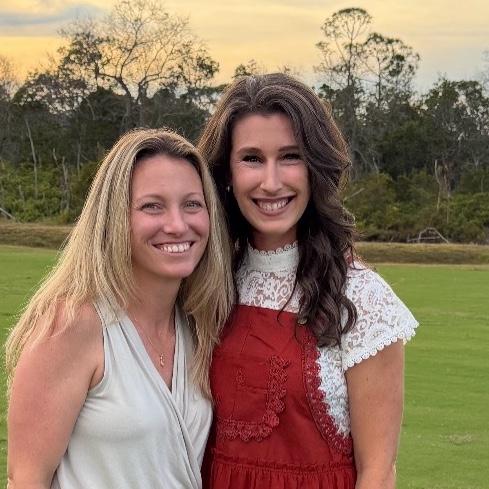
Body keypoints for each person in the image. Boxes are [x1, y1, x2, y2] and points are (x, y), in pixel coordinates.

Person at [198, 73, 419, 489]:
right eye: (251, 159)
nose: (271, 182)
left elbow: (377, 471)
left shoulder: (363, 298)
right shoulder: (204, 282)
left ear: (315, 167)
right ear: (225, 172)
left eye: (290, 157)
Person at [6, 128, 234, 489]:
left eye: (192, 204)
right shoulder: (73, 325)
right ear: (115, 217)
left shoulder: (197, 326)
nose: (178, 225)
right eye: (152, 206)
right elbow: (26, 478)